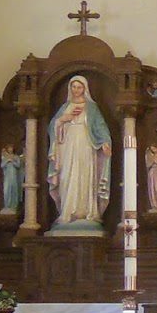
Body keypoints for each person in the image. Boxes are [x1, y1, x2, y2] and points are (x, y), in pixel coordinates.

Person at [46, 73, 112, 230]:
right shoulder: (65, 107)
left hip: (86, 144)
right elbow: (52, 126)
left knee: (84, 174)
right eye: (74, 87)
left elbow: (100, 126)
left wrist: (105, 141)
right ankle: (67, 211)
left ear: (84, 89)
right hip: (67, 145)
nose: (76, 90)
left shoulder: (92, 107)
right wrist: (63, 119)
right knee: (67, 175)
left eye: (79, 87)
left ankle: (86, 211)